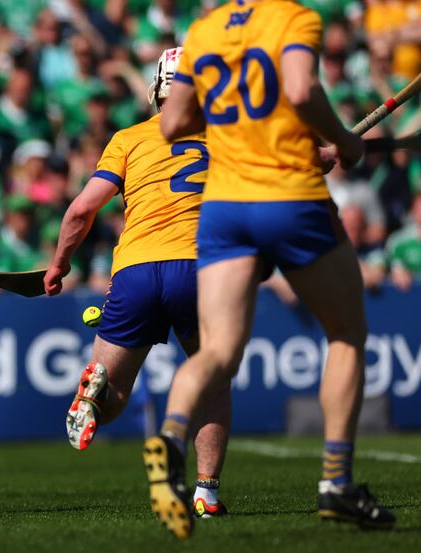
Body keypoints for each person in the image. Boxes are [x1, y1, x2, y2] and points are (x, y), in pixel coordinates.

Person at [149, 1, 394, 539]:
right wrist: (344, 142)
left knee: (215, 351)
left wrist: (246, 133)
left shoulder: (204, 30)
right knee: (346, 333)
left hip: (223, 208)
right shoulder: (294, 18)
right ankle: (336, 482)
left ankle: (168, 438)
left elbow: (172, 124)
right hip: (289, 197)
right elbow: (303, 92)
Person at [44, 47, 231, 519]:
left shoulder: (129, 138)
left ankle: (93, 392)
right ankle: (205, 492)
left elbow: (83, 209)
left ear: (157, 89)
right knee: (211, 383)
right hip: (199, 270)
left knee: (116, 398)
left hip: (135, 271)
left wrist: (59, 263)